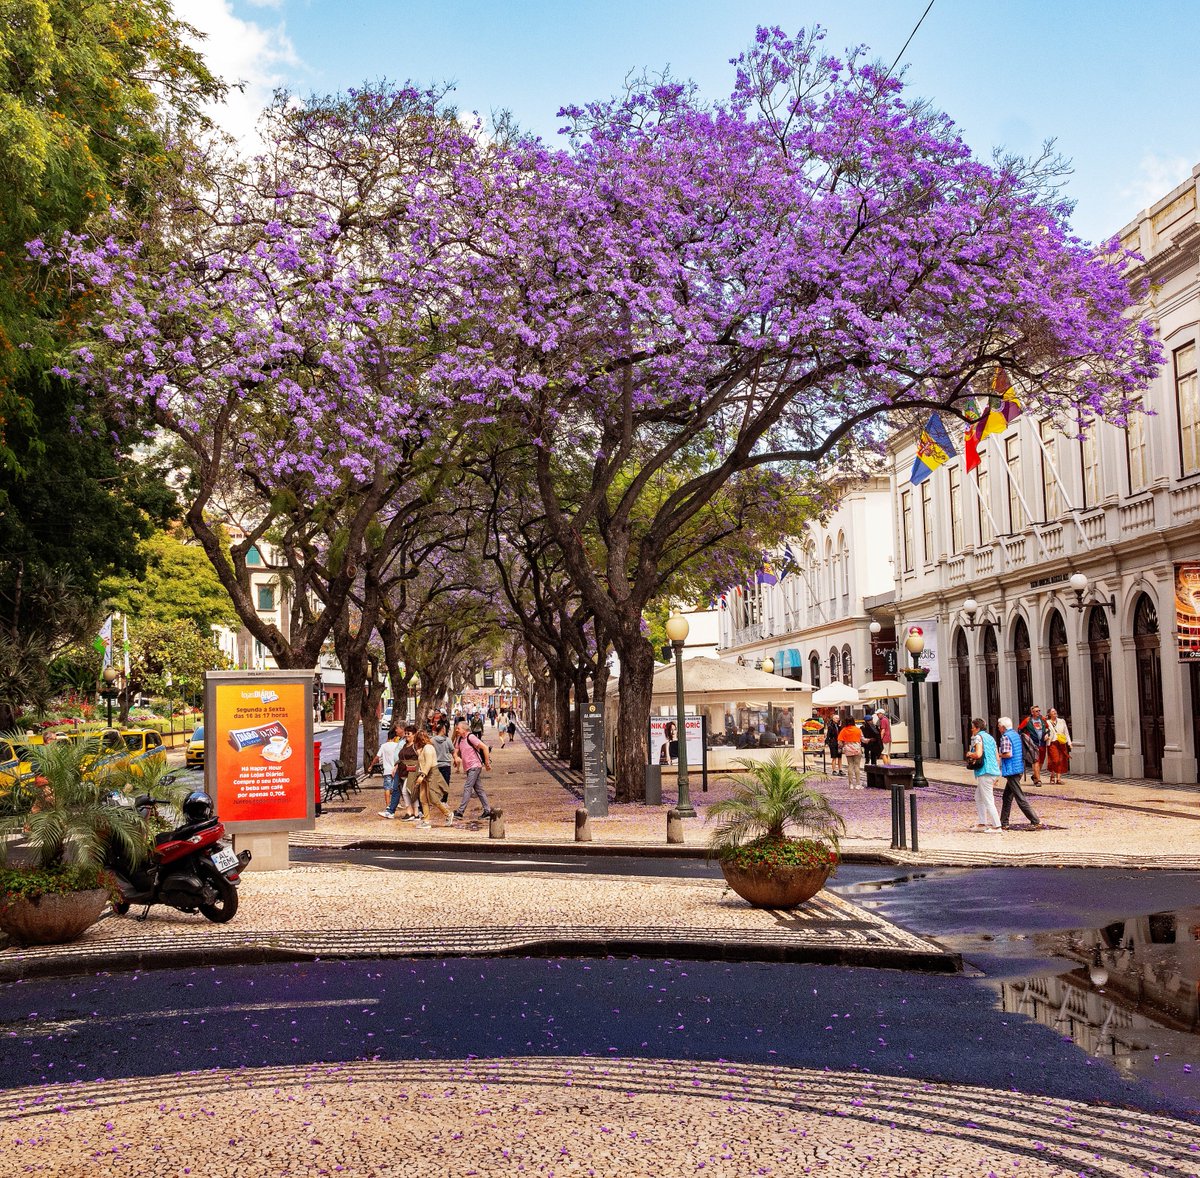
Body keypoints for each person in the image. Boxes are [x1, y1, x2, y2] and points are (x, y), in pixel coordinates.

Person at [998, 716, 1041, 830]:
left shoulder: (1005, 737)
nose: (998, 728)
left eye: (999, 726)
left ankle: (1035, 820)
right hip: (1018, 768)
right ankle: (1004, 822)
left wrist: (998, 755)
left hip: (1012, 770)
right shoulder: (1016, 735)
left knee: (1019, 797)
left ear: (1002, 727)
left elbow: (1008, 754)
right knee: (1007, 796)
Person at [967, 717, 1003, 831]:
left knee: (988, 800)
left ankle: (997, 826)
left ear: (977, 728)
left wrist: (969, 754)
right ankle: (982, 824)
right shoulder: (991, 738)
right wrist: (997, 773)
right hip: (992, 771)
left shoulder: (978, 737)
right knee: (978, 797)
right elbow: (997, 757)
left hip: (985, 771)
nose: (971, 730)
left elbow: (978, 754)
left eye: (972, 727)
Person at [452, 719, 493, 820]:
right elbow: (455, 751)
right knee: (479, 789)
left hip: (475, 766)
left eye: (458, 728)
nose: (456, 730)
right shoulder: (459, 739)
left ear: (464, 729)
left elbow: (485, 748)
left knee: (467, 787)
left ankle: (460, 812)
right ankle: (487, 810)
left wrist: (487, 763)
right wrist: (456, 757)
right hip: (468, 768)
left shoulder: (471, 737)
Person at [413, 730, 453, 827]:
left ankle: (448, 814)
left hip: (431, 774)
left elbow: (429, 763)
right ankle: (426, 821)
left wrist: (422, 776)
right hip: (425, 775)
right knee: (423, 798)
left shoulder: (428, 748)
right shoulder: (423, 749)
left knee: (433, 798)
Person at [375, 728, 403, 819]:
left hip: (387, 770)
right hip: (395, 769)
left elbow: (377, 757)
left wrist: (371, 765)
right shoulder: (397, 745)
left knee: (387, 788)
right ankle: (395, 804)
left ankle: (388, 806)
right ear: (395, 737)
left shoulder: (383, 746)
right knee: (396, 788)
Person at [1018, 705, 1048, 785]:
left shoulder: (1043, 719)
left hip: (1042, 743)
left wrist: (1047, 734)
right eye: (1036, 711)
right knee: (1036, 761)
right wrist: (1025, 738)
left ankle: (1035, 776)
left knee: (1041, 761)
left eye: (1039, 711)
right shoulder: (1028, 720)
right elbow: (1020, 729)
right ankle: (1038, 780)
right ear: (1032, 712)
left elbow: (1048, 729)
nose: (1038, 712)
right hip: (1033, 744)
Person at [1045, 707, 1073, 784]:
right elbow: (1045, 732)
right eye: (1053, 711)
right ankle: (1052, 774)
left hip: (1061, 742)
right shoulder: (1047, 722)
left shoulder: (1062, 721)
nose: (1055, 712)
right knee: (1055, 760)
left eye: (1055, 711)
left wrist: (1069, 743)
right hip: (1052, 742)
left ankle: (1058, 778)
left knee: (1061, 760)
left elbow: (1066, 732)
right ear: (1049, 714)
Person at [838, 715, 864, 788]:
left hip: (848, 749)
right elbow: (863, 739)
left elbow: (839, 742)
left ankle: (851, 784)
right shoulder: (858, 729)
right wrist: (869, 740)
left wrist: (842, 746)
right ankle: (858, 784)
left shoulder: (843, 730)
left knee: (850, 765)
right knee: (857, 766)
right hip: (857, 749)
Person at [431, 720, 454, 794]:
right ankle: (444, 800)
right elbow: (452, 751)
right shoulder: (448, 740)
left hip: (435, 764)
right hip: (446, 764)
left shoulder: (432, 740)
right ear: (443, 729)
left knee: (436, 783)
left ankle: (437, 798)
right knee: (445, 783)